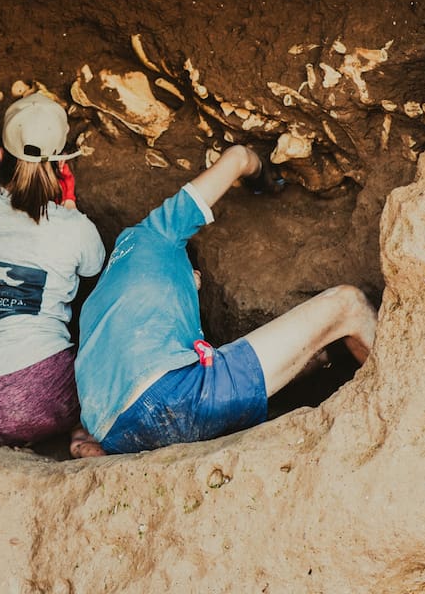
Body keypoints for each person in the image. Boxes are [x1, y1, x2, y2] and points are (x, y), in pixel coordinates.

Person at [75, 145, 377, 454]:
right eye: (196, 280)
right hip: (179, 396)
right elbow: (238, 157)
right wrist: (265, 177)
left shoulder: (96, 307)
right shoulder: (156, 233)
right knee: (347, 303)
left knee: (309, 359)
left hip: (117, 435)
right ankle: (401, 393)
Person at [0, 93, 107, 458]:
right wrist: (68, 205)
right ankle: (81, 432)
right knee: (100, 344)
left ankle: (17, 438)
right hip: (48, 400)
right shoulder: (75, 229)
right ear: (61, 167)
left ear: (1, 156)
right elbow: (94, 269)